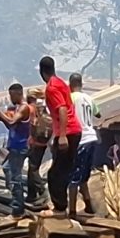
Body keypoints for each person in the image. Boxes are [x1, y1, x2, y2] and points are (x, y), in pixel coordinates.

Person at [40, 56, 80, 215]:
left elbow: (62, 109)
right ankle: (62, 206)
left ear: (42, 72)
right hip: (73, 130)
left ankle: (60, 208)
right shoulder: (61, 82)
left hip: (68, 132)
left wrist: (62, 136)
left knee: (55, 173)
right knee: (63, 171)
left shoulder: (51, 87)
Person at [0, 83, 35, 218]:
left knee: (15, 177)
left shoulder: (24, 108)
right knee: (7, 168)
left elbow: (12, 122)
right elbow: (11, 126)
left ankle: (18, 210)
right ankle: (17, 197)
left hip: (20, 147)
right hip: (15, 147)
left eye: (12, 95)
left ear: (18, 94)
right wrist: (0, 117)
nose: (10, 98)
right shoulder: (17, 108)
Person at [67, 72, 100, 213]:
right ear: (81, 84)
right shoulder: (89, 98)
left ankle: (72, 212)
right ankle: (89, 207)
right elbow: (98, 114)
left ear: (70, 85)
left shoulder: (70, 98)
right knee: (84, 176)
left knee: (73, 177)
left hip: (79, 140)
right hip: (91, 138)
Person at [25, 95, 53, 209]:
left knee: (33, 167)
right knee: (32, 169)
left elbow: (32, 129)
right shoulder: (48, 117)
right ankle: (31, 195)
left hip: (36, 144)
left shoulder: (37, 116)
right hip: (43, 144)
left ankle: (42, 190)